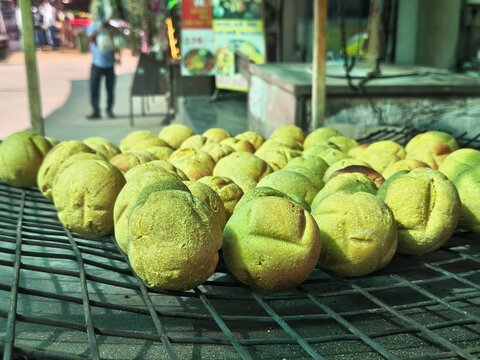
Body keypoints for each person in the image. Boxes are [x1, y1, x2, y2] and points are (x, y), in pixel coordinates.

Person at [85, 20, 121, 120]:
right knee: (94, 88)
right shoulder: (93, 26)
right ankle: (95, 111)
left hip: (110, 64)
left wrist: (119, 57)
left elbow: (117, 42)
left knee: (110, 89)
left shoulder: (112, 28)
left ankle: (109, 110)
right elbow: (89, 40)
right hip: (97, 63)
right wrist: (98, 29)